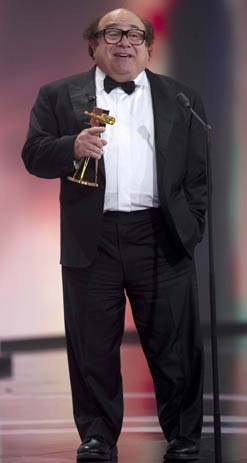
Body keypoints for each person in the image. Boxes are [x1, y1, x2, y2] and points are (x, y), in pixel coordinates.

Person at [22, 8, 208, 461]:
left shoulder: (181, 99)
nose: (124, 42)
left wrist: (193, 225)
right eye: (113, 33)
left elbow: (198, 174)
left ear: (148, 48)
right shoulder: (59, 95)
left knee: (174, 344)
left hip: (160, 236)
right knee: (92, 346)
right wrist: (71, 147)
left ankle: (183, 435)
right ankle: (97, 436)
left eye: (135, 35)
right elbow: (33, 154)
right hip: (94, 238)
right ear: (95, 45)